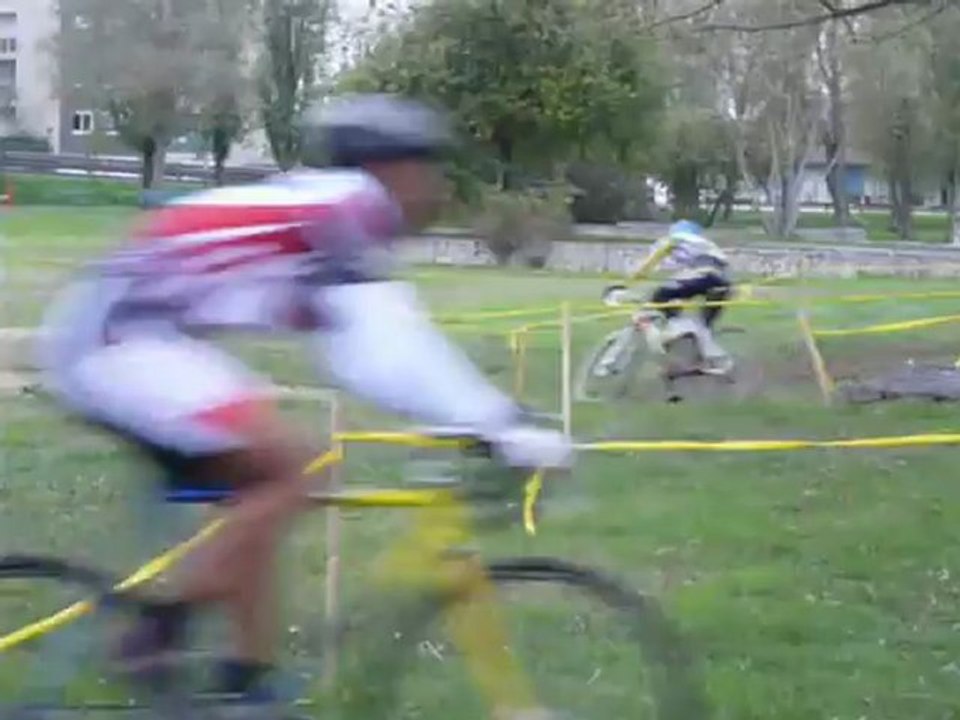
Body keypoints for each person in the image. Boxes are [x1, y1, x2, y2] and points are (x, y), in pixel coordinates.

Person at [38, 93, 573, 696]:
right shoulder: (349, 205)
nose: (437, 188)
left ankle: (247, 686)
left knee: (266, 490)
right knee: (290, 471)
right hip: (116, 340)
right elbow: (388, 344)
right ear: (392, 169)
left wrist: (482, 420)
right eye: (431, 169)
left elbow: (361, 354)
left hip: (136, 332)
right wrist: (501, 423)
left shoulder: (326, 209)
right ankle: (159, 629)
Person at [608, 219, 733, 369]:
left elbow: (651, 262)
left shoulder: (675, 239)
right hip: (722, 282)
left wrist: (629, 282)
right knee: (703, 324)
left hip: (701, 274)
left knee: (659, 297)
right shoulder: (705, 243)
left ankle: (675, 333)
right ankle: (710, 356)